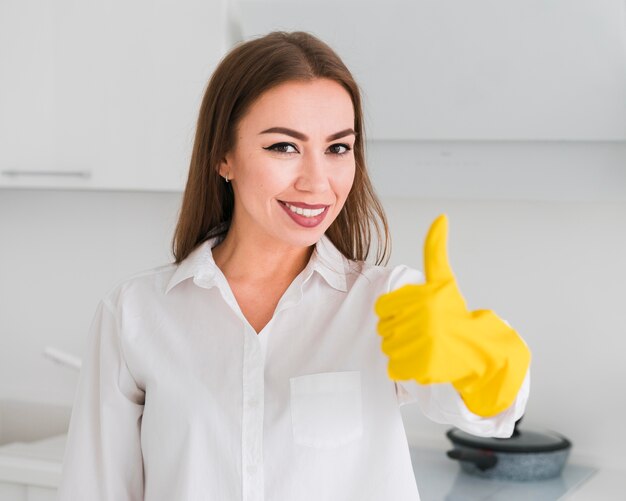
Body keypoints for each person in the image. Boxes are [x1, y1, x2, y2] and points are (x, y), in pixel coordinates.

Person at [58, 31, 530, 500]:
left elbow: (496, 413)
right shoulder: (135, 315)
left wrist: (478, 360)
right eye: (284, 147)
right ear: (225, 156)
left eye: (338, 148)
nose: (317, 181)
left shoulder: (389, 304)